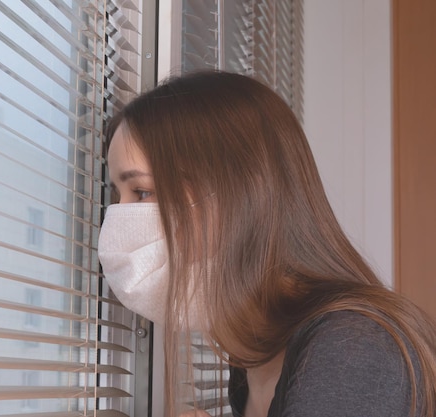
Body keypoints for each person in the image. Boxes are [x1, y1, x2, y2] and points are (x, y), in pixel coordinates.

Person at [97, 71, 436, 417]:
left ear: (238, 194)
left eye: (141, 192)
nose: (116, 219)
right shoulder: (249, 363)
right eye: (116, 194)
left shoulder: (353, 347)